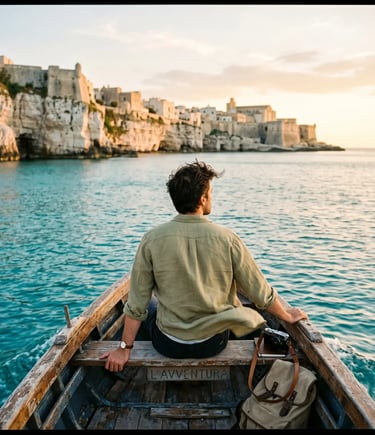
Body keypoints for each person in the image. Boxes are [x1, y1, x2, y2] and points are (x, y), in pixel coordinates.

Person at [100, 159, 308, 372]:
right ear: (202, 199)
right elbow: (260, 293)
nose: (212, 198)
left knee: (151, 302)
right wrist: (287, 316)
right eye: (211, 193)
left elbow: (137, 304)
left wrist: (124, 348)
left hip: (168, 345)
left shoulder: (151, 239)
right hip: (212, 344)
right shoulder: (228, 239)